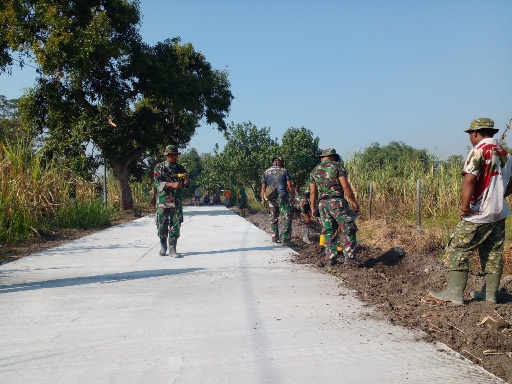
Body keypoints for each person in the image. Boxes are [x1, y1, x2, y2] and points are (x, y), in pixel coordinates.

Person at [429, 118, 512, 305]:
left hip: (478, 213)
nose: (470, 138)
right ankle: (490, 295)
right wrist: (500, 195)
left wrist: (464, 207)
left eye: (470, 135)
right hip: (499, 213)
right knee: (493, 252)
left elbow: (469, 179)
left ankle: (454, 293)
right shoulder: (505, 154)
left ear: (475, 133)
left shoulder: (478, 151)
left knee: (458, 247)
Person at [309, 148, 360, 267]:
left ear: (322, 157)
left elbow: (313, 192)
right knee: (349, 227)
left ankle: (331, 259)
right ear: (332, 156)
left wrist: (312, 207)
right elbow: (345, 186)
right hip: (335, 202)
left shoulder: (314, 170)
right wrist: (354, 202)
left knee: (329, 231)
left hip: (322, 204)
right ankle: (349, 257)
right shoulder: (337, 166)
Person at [153, 145, 190, 257]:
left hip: (176, 201)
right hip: (163, 200)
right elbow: (156, 184)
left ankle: (173, 248)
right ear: (166, 155)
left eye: (175, 155)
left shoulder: (180, 168)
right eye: (171, 155)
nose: (173, 157)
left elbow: (186, 185)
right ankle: (163, 245)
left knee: (176, 224)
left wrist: (186, 179)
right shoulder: (159, 167)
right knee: (162, 224)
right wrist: (172, 184)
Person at [260, 156, 295, 244]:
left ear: (273, 162)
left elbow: (263, 188)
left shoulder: (265, 172)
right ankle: (285, 239)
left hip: (271, 197)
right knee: (286, 217)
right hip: (282, 196)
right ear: (281, 162)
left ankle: (274, 237)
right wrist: (293, 196)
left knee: (273, 217)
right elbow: (289, 185)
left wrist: (263, 199)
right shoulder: (284, 171)